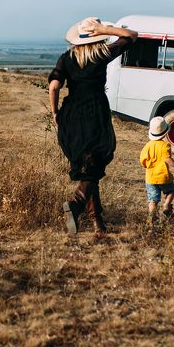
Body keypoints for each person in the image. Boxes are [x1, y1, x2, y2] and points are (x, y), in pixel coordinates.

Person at [48, 17, 138, 234]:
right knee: (94, 163)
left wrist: (55, 112)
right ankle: (76, 204)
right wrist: (105, 29)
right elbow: (132, 36)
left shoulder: (66, 58)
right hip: (95, 114)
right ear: (97, 37)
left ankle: (98, 223)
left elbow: (53, 87)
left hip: (71, 115)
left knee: (89, 168)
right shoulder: (102, 54)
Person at [139, 116, 174, 223]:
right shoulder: (165, 145)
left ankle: (151, 217)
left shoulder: (147, 146)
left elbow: (143, 161)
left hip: (150, 178)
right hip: (164, 177)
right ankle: (166, 205)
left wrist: (149, 166)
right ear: (165, 133)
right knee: (170, 191)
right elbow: (168, 160)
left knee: (153, 200)